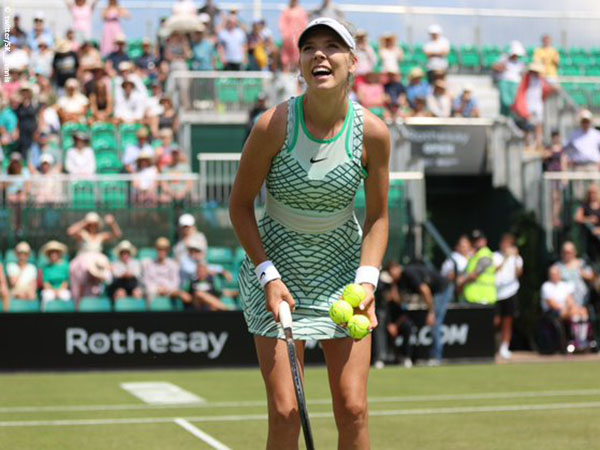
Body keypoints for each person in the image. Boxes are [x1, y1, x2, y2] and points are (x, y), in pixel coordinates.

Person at [229, 18, 390, 449]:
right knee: (286, 414)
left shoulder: (373, 133)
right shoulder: (272, 125)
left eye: (332, 46)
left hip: (343, 274)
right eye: (309, 48)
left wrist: (368, 281)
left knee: (353, 409)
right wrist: (268, 275)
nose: (320, 54)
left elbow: (378, 218)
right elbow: (240, 206)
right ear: (300, 63)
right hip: (275, 271)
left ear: (353, 62)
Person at [390, 261, 452, 365]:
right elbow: (398, 299)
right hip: (435, 292)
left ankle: (436, 357)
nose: (392, 274)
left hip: (441, 290)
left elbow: (425, 290)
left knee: (435, 323)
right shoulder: (401, 280)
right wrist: (394, 284)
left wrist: (431, 312)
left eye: (393, 271)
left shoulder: (408, 273)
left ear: (398, 268)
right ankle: (434, 356)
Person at [68, 212, 122, 305]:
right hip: (83, 264)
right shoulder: (82, 234)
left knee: (103, 276)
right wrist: (84, 222)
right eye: (90, 224)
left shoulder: (101, 236)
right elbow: (70, 232)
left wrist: (112, 223)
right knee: (83, 280)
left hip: (98, 264)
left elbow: (117, 235)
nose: (92, 226)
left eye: (94, 224)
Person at [541, 265, 590, 350]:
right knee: (574, 313)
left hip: (567, 310)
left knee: (582, 311)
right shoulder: (546, 286)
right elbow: (552, 304)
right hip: (553, 312)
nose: (554, 276)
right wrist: (567, 309)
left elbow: (569, 300)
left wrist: (573, 307)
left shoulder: (564, 285)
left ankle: (581, 340)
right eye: (552, 274)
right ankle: (576, 340)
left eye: (556, 274)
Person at [493, 233, 523, 360]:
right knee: (496, 321)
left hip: (510, 293)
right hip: (495, 293)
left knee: (508, 321)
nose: (505, 246)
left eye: (508, 244)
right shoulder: (495, 256)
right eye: (503, 243)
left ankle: (505, 347)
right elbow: (494, 270)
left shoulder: (517, 258)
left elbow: (519, 273)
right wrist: (505, 258)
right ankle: (493, 345)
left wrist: (515, 258)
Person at [142, 237, 184, 304]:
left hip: (169, 291)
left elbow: (176, 282)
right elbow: (147, 281)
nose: (161, 251)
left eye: (164, 249)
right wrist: (158, 289)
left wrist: (166, 289)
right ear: (156, 250)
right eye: (159, 249)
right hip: (154, 291)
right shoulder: (149, 264)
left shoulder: (173, 265)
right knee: (150, 291)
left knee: (177, 293)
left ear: (167, 250)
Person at [462, 230, 497, 305]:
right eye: (474, 240)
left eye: (479, 240)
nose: (476, 243)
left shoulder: (485, 255)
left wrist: (461, 281)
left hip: (483, 298)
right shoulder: (475, 255)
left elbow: (475, 275)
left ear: (485, 241)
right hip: (474, 298)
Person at [556, 241, 593, 307]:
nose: (567, 254)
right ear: (561, 253)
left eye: (569, 252)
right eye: (565, 252)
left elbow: (592, 277)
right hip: (565, 302)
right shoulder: (557, 266)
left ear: (575, 252)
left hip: (584, 300)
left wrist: (582, 273)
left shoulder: (582, 263)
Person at [39, 240, 71, 309]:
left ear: (59, 253)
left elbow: (66, 281)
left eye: (55, 252)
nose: (53, 254)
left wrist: (59, 291)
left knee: (66, 296)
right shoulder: (46, 267)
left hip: (62, 290)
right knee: (47, 296)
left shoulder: (66, 266)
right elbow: (46, 283)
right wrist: (54, 291)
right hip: (49, 290)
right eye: (51, 252)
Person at [278, 0, 308, 72]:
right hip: (288, 39)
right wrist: (285, 35)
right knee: (286, 57)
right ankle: (286, 73)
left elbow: (304, 24)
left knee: (298, 56)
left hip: (298, 38)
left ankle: (298, 76)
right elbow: (282, 24)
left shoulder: (301, 11)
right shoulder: (286, 11)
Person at [440, 234, 472, 301]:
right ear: (457, 247)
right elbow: (450, 276)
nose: (465, 248)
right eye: (463, 246)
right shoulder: (455, 258)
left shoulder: (470, 257)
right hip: (453, 292)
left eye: (467, 246)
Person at [575, 184, 600, 262]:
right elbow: (577, 218)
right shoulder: (584, 205)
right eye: (591, 193)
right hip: (588, 238)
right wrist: (589, 219)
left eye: (594, 193)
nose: (592, 195)